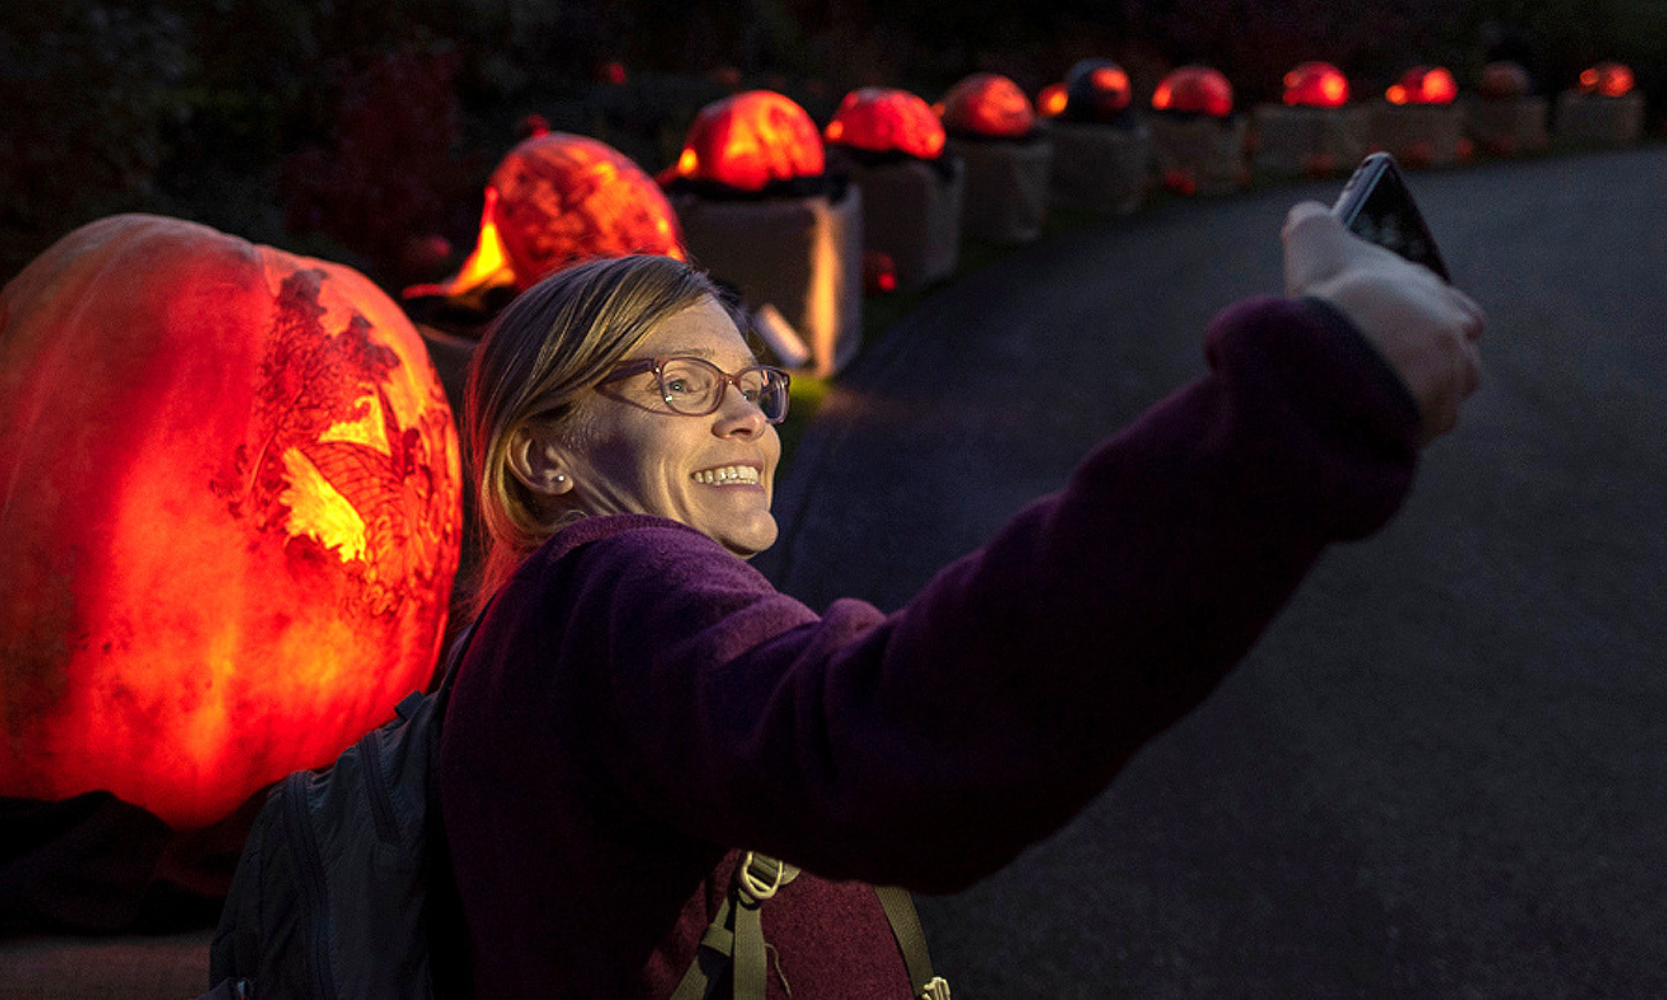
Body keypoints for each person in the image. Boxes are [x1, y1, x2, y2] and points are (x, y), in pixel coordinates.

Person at [436, 201, 1484, 998]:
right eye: (680, 385)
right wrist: (1315, 391)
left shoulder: (524, 641)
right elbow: (882, 740)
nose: (751, 420)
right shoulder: (617, 581)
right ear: (541, 452)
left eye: (753, 387)